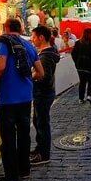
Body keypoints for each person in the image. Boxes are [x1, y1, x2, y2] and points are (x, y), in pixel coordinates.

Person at [0, 18, 44, 181]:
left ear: (6, 28)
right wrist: (27, 81)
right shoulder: (29, 46)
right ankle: (24, 169)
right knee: (24, 134)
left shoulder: (3, 42)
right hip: (26, 98)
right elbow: (40, 72)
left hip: (7, 98)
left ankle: (11, 177)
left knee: (8, 137)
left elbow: (1, 65)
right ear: (20, 28)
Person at [30, 25, 60, 166]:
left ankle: (44, 154)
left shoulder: (45, 57)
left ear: (41, 37)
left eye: (34, 37)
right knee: (38, 121)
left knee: (42, 123)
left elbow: (44, 77)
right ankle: (39, 148)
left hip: (43, 93)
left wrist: (32, 76)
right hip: (45, 93)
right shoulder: (48, 53)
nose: (32, 40)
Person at [71, 27, 91, 106]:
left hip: (80, 67)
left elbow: (73, 53)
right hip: (90, 67)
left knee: (82, 82)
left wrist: (76, 62)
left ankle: (81, 98)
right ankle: (89, 96)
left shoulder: (78, 43)